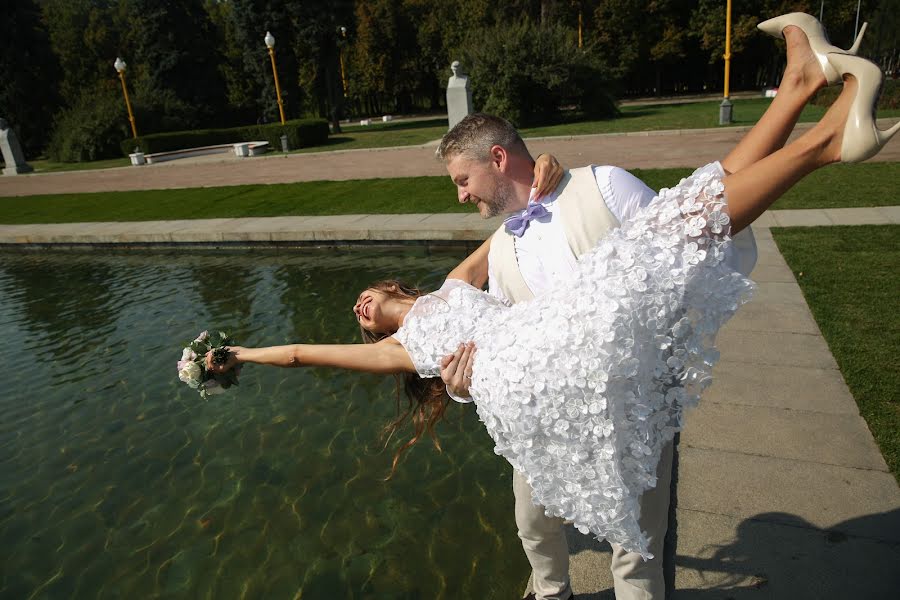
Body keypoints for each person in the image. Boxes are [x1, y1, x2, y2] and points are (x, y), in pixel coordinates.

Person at [206, 13, 898, 599]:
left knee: (675, 227)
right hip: (545, 364)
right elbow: (301, 353)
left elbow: (504, 238)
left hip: (574, 344)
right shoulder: (408, 347)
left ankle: (814, 110)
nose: (361, 310)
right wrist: (239, 355)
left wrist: (545, 188)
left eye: (461, 180)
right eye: (362, 315)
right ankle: (824, 128)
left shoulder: (460, 280)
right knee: (672, 233)